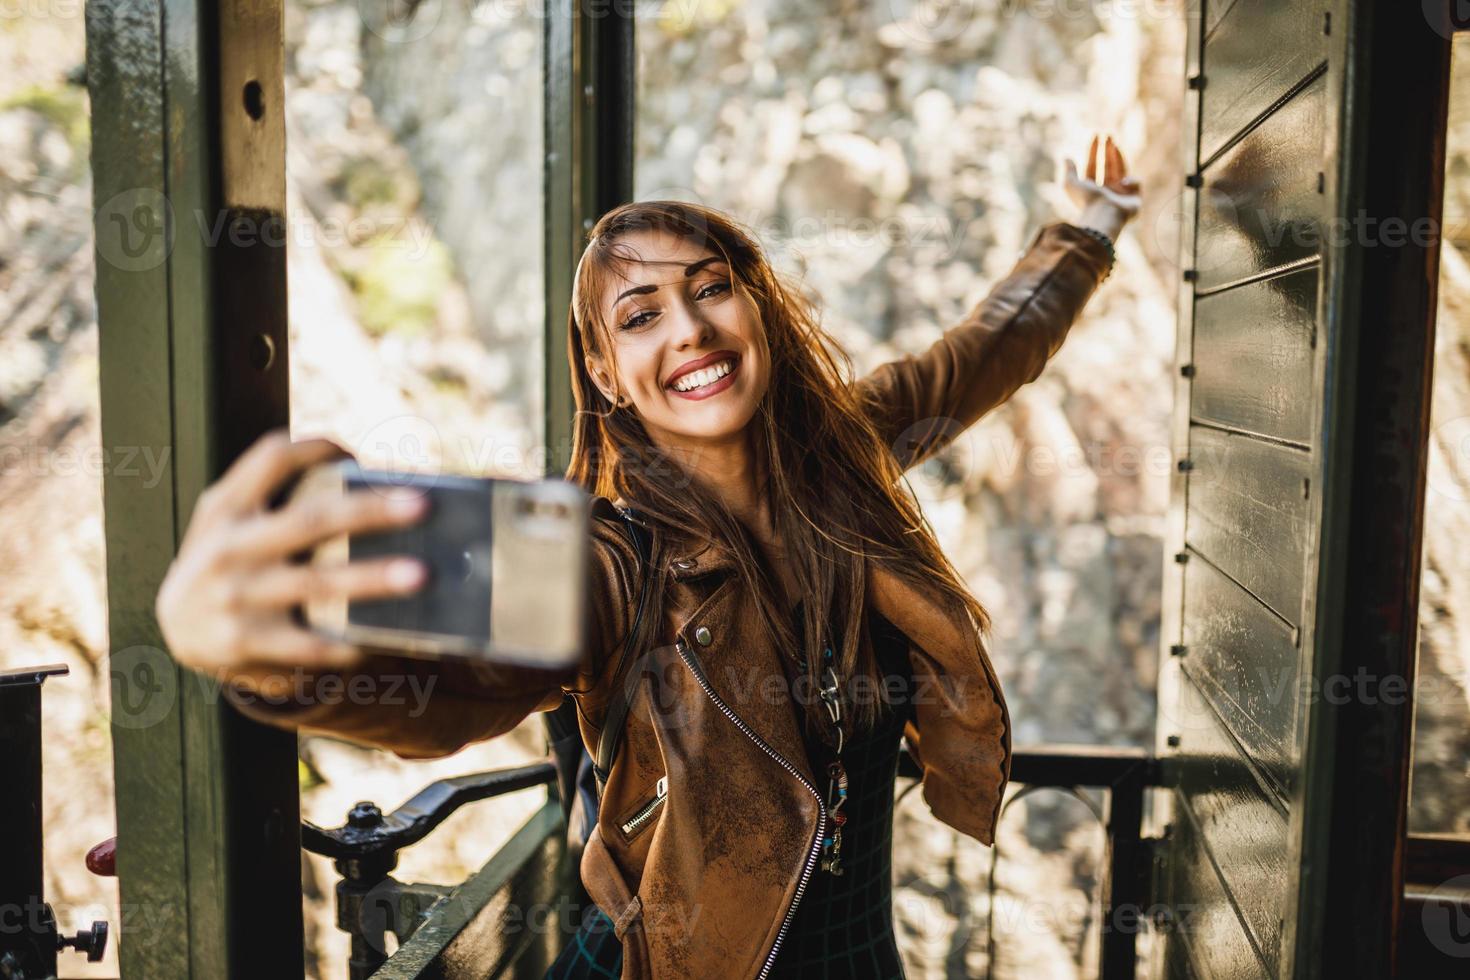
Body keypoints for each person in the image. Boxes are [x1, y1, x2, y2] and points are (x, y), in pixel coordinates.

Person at [156, 134, 1141, 979]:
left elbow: (984, 351)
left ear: (756, 308)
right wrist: (264, 650)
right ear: (604, 370)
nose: (692, 329)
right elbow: (464, 681)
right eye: (640, 315)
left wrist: (1088, 231)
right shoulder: (613, 558)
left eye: (712, 290)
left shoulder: (848, 452)